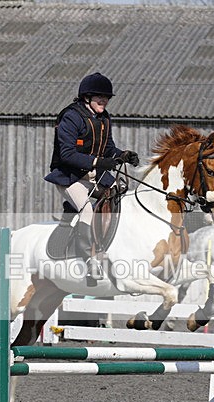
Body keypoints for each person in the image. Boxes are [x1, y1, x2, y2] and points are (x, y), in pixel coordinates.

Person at [44, 72, 139, 285]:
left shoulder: (104, 118)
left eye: (106, 97)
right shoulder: (70, 117)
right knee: (87, 211)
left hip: (96, 175)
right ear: (86, 97)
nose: (104, 101)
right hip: (70, 177)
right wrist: (99, 162)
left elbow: (108, 148)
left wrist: (122, 155)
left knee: (119, 198)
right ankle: (89, 261)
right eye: (99, 97)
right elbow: (67, 154)